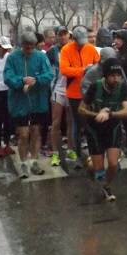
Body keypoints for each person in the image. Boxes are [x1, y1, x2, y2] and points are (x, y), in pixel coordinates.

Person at [79, 58, 127, 201]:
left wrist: (109, 114)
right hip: (94, 129)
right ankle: (92, 166)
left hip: (113, 127)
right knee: (98, 168)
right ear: (105, 76)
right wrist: (97, 114)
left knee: (113, 164)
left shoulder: (122, 86)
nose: (116, 79)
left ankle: (106, 186)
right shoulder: (95, 87)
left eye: (118, 75)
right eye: (112, 76)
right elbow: (81, 109)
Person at [4, 31, 53, 178]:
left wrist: (36, 80)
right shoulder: (12, 57)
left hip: (38, 101)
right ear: (22, 45)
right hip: (19, 102)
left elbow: (49, 74)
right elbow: (8, 77)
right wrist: (22, 81)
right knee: (24, 134)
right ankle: (24, 163)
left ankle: (34, 161)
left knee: (36, 132)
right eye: (27, 47)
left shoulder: (41, 56)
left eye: (32, 46)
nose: (29, 50)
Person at [59, 25, 100, 164]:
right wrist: (83, 71)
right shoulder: (66, 50)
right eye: (79, 42)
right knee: (77, 124)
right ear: (73, 39)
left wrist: (91, 71)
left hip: (90, 92)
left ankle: (92, 152)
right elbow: (64, 70)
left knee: (90, 123)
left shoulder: (90, 48)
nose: (82, 45)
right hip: (74, 93)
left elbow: (99, 66)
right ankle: (77, 154)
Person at [47, 27, 75, 166]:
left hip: (72, 90)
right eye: (60, 35)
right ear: (57, 36)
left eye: (65, 34)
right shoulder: (52, 51)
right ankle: (55, 153)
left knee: (70, 122)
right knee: (56, 123)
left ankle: (70, 149)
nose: (63, 37)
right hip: (57, 89)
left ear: (69, 36)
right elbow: (47, 69)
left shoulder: (75, 48)